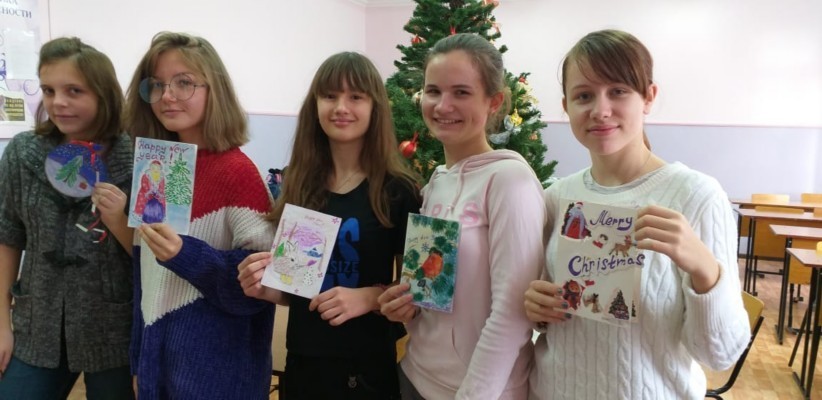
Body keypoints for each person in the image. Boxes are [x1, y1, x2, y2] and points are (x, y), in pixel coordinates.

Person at [523, 29, 750, 399]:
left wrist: (705, 270)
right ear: (566, 106)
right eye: (584, 96)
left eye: (618, 91)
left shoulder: (696, 196)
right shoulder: (556, 198)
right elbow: (545, 313)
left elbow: (719, 355)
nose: (600, 110)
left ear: (649, 97)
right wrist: (536, 309)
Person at [237, 51, 422, 400]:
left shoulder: (398, 190)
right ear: (315, 104)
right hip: (304, 362)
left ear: (375, 107)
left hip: (365, 367)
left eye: (356, 97)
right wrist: (264, 287)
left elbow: (419, 291)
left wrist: (370, 297)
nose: (341, 107)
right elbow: (297, 287)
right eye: (330, 96)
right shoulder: (299, 184)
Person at [377, 33, 545, 399]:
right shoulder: (436, 182)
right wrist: (406, 307)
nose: (443, 105)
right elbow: (435, 291)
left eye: (461, 92)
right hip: (414, 376)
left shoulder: (510, 181)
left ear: (494, 101)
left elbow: (513, 314)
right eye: (433, 91)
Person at [123, 32, 276, 398]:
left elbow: (259, 290)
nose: (167, 96)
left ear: (214, 90)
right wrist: (139, 361)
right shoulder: (158, 168)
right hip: (158, 368)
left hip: (219, 379)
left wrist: (185, 254)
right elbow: (145, 282)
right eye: (156, 85)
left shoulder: (238, 172)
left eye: (184, 83)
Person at [0, 37, 135, 399]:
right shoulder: (23, 154)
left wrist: (118, 218)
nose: (58, 102)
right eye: (49, 90)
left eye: (74, 90)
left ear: (104, 94)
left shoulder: (139, 158)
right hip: (37, 324)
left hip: (113, 329)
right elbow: (7, 237)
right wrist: (1, 324)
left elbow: (152, 256)